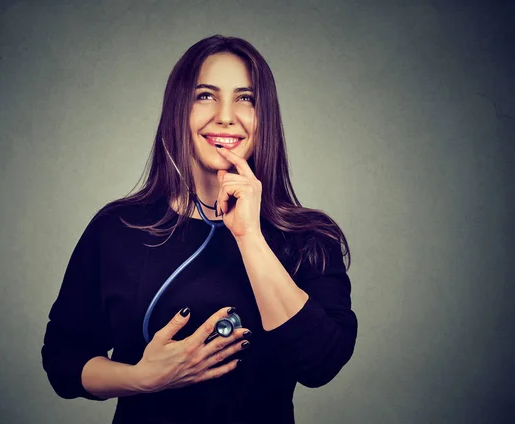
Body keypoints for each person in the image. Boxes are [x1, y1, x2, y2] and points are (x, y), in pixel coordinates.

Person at [41, 34, 358, 424]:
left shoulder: (309, 237)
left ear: (264, 117)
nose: (226, 116)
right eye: (205, 95)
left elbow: (321, 363)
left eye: (246, 98)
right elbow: (62, 359)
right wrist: (141, 378)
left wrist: (249, 236)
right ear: (179, 110)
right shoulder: (117, 228)